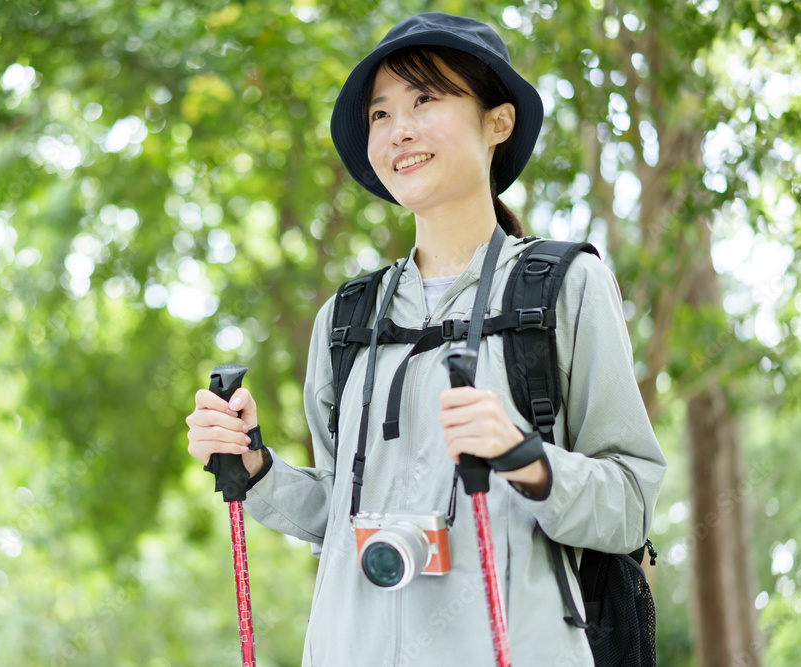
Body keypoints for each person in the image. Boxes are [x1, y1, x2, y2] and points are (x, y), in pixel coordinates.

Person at [186, 12, 666, 666]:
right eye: (379, 114)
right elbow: (340, 513)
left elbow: (630, 502)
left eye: (425, 98)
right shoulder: (345, 317)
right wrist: (255, 468)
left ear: (498, 121)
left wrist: (527, 458)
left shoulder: (565, 285)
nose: (398, 128)